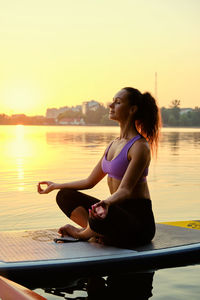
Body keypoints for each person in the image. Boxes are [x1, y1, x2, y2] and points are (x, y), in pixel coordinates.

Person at [38, 87, 161, 248]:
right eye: (112, 101)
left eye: (117, 102)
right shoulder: (113, 144)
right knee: (64, 196)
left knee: (103, 213)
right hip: (114, 211)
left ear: (132, 110)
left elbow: (126, 190)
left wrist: (105, 204)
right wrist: (56, 186)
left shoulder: (139, 146)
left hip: (138, 223)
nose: (110, 105)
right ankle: (97, 233)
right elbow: (90, 181)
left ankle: (84, 234)